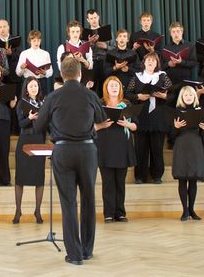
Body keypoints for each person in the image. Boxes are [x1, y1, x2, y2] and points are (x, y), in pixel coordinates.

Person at [34, 56, 107, 265]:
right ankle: (87, 250)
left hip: (63, 151)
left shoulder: (53, 96)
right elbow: (101, 120)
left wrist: (55, 128)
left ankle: (74, 256)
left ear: (62, 74)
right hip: (87, 151)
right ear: (80, 73)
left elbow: (38, 126)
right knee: (88, 200)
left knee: (68, 203)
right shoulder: (90, 94)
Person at [124, 52, 171, 184]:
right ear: (144, 63)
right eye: (148, 60)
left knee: (157, 148)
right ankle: (140, 176)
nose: (150, 62)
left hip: (158, 116)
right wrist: (138, 97)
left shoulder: (162, 76)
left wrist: (164, 96)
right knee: (140, 148)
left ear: (157, 63)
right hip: (141, 115)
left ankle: (157, 175)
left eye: (153, 60)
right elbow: (128, 93)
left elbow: (172, 94)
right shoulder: (137, 77)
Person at [95, 76, 137, 223]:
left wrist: (127, 124)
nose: (114, 88)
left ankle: (120, 213)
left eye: (116, 85)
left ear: (120, 88)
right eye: (111, 85)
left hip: (122, 147)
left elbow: (135, 126)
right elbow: (91, 126)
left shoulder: (126, 104)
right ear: (106, 88)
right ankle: (108, 214)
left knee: (120, 182)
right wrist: (102, 126)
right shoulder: (100, 104)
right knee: (107, 183)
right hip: (105, 147)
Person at [172, 86, 204, 221]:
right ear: (181, 97)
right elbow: (171, 136)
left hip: (195, 145)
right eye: (186, 95)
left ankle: (192, 209)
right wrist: (175, 128)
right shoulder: (176, 111)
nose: (188, 97)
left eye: (191, 95)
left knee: (193, 179)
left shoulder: (200, 111)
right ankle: (185, 211)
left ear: (194, 97)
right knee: (182, 178)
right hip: (181, 145)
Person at [13, 77, 46, 224]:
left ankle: (38, 211)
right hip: (25, 140)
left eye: (36, 86)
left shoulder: (43, 103)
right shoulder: (21, 103)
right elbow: (20, 123)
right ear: (26, 88)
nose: (34, 88)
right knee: (20, 178)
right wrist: (30, 118)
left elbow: (47, 124)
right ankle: (18, 210)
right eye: (31, 86)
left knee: (39, 178)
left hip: (39, 140)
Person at [16, 30, 53, 95]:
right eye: (34, 41)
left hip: (41, 82)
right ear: (30, 41)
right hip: (28, 81)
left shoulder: (45, 54)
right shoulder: (24, 54)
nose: (36, 43)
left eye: (38, 40)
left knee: (42, 102)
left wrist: (45, 73)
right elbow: (18, 73)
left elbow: (50, 72)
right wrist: (21, 68)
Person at [85, 9, 113, 96]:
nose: (94, 20)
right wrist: (90, 44)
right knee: (91, 89)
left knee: (105, 88)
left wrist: (106, 47)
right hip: (91, 63)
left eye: (95, 17)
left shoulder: (107, 31)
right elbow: (82, 51)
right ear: (88, 20)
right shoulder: (85, 34)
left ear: (98, 17)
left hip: (105, 62)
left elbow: (115, 49)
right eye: (91, 18)